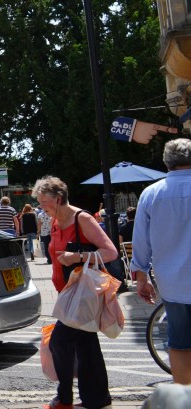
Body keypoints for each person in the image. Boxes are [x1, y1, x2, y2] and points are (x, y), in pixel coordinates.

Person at [34, 176, 116, 409]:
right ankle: (97, 399)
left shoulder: (82, 218)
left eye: (44, 202)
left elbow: (111, 252)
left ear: (58, 199)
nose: (42, 207)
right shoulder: (56, 221)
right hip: (68, 294)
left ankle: (64, 397)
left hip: (83, 295)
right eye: (39, 203)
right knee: (86, 346)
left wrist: (78, 257)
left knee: (59, 341)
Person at [131, 138, 191, 385]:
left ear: (167, 162)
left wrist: (141, 277)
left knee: (178, 341)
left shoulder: (152, 193)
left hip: (172, 282)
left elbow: (141, 241)